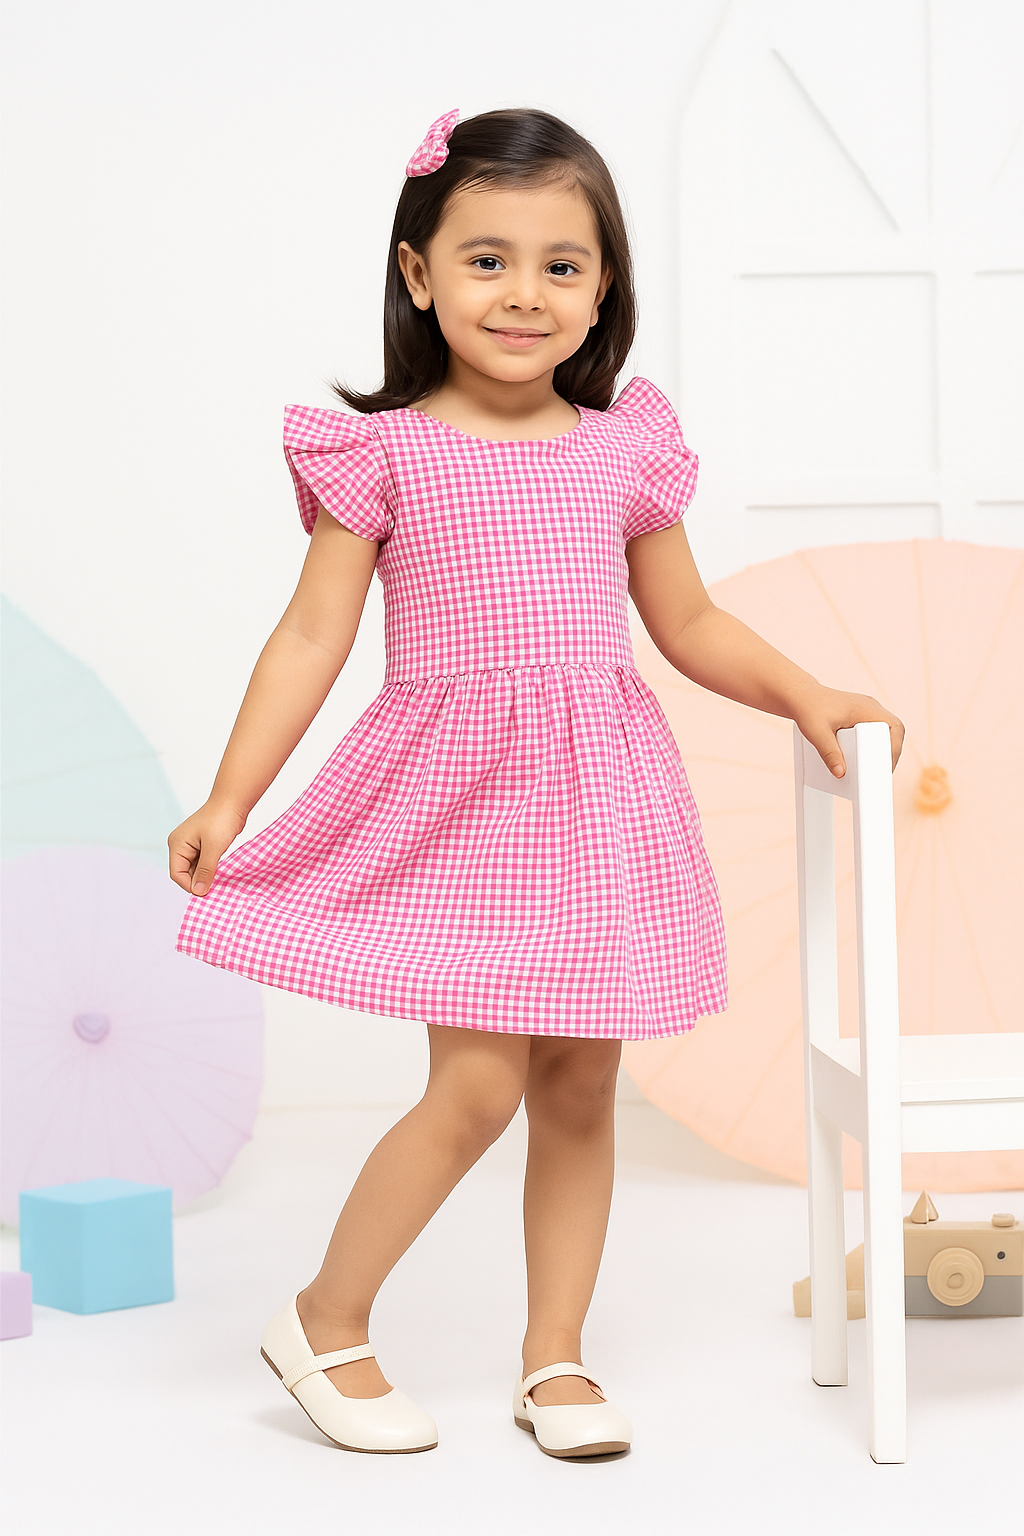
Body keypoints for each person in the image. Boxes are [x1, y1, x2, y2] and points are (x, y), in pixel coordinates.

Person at [167, 106, 905, 1460]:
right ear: (418, 274)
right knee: (476, 1088)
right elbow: (312, 636)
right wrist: (231, 796)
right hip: (457, 814)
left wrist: (807, 691)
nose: (525, 293)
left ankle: (554, 1357)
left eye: (564, 265)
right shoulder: (381, 453)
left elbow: (687, 626)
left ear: (606, 286)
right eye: (488, 259)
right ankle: (327, 1317)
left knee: (578, 1087)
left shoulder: (623, 451)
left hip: (599, 803)